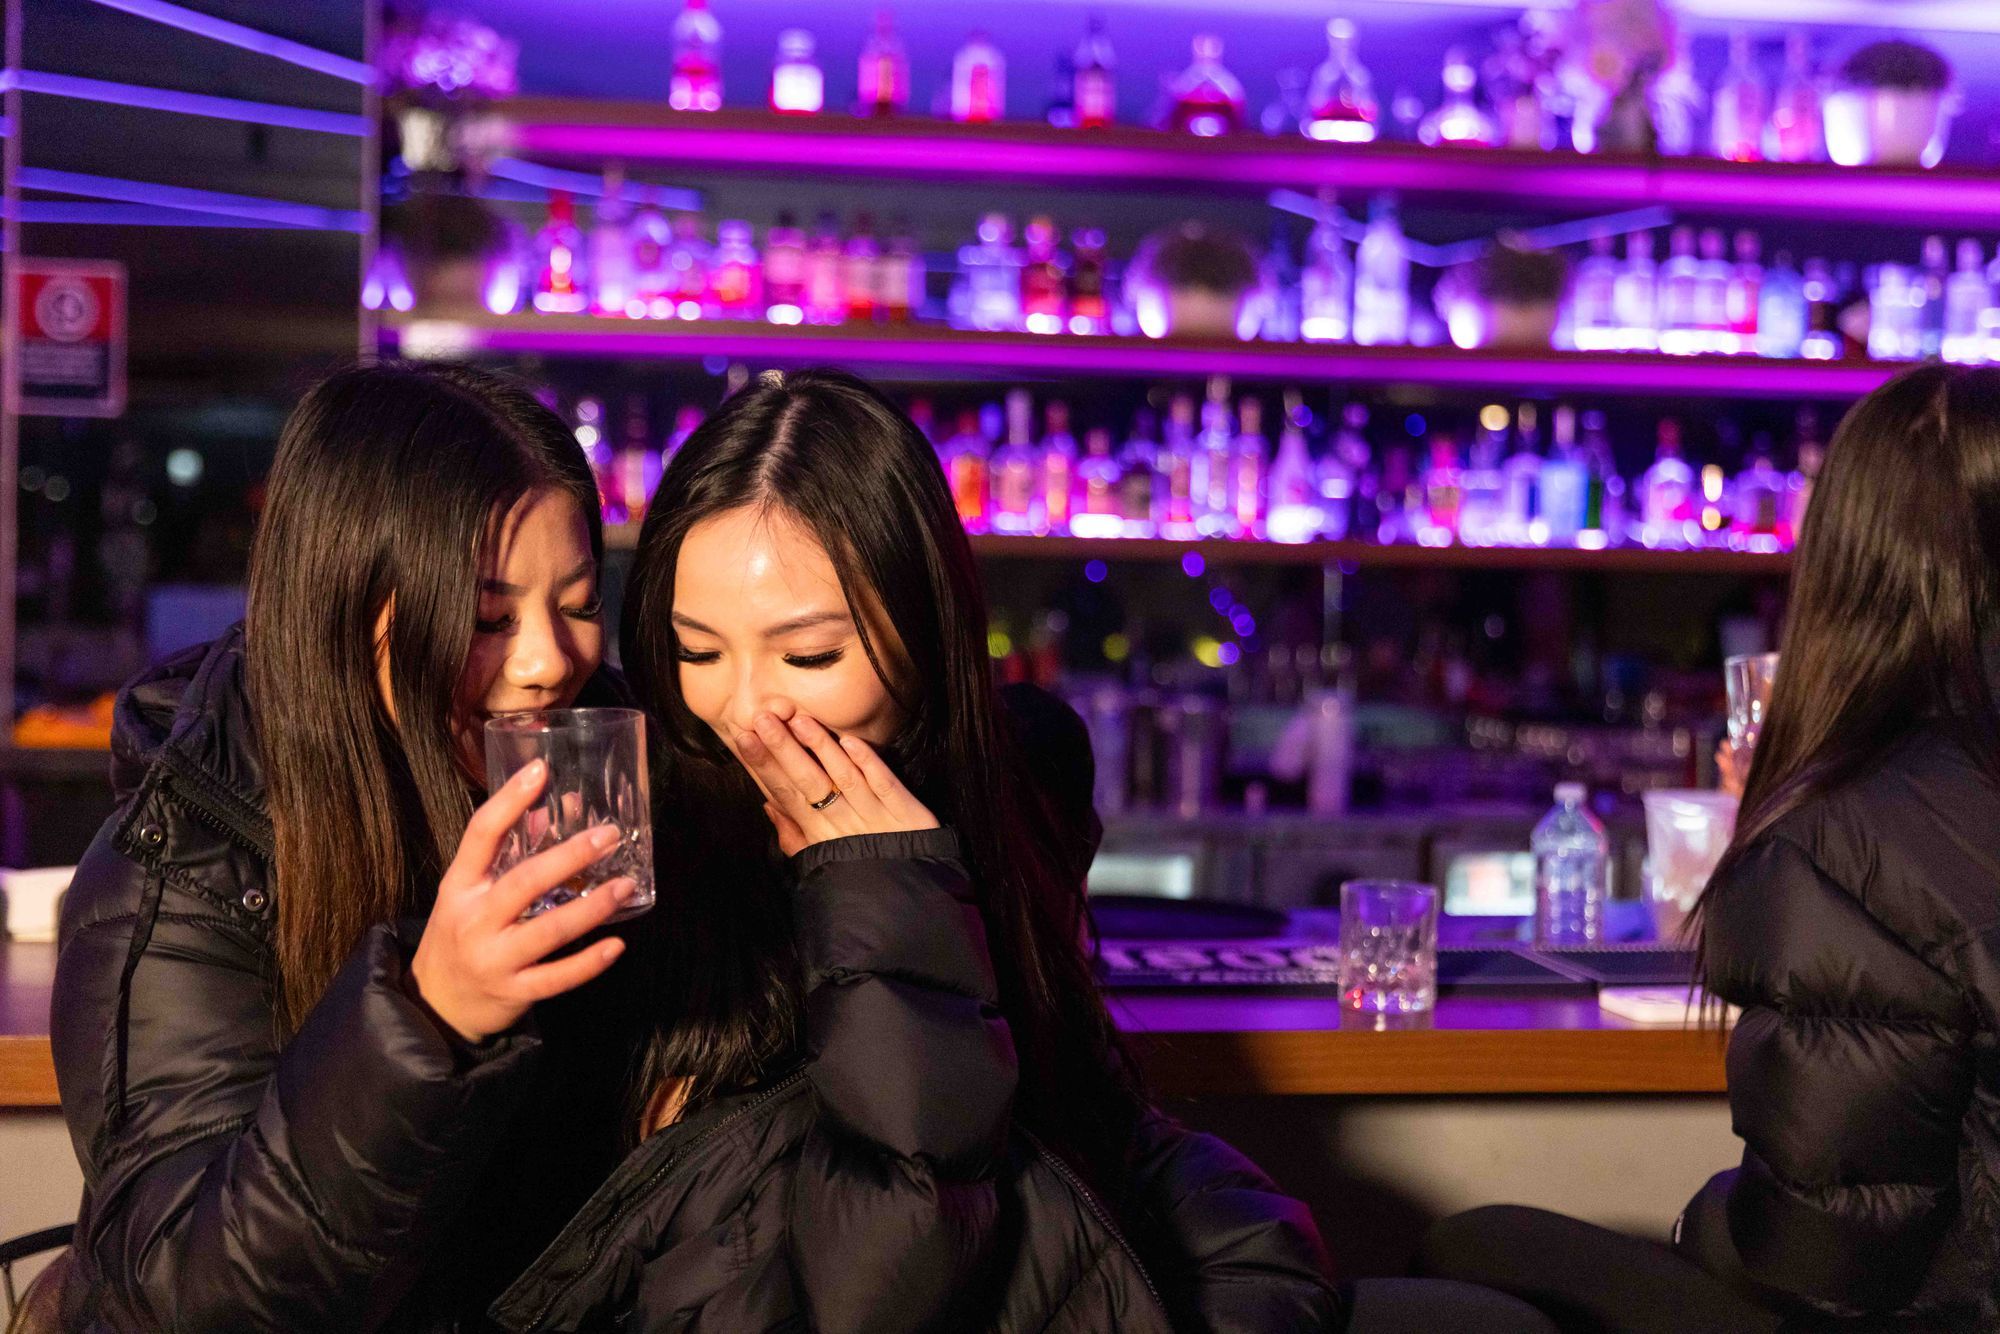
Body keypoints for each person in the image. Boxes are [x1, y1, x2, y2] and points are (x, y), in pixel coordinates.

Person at [491, 369, 1556, 1334]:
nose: (743, 707)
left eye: (808, 652)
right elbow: (868, 1269)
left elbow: (1077, 1114)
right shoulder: (629, 818)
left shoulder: (1009, 775)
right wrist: (875, 882)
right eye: (694, 650)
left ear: (924, 633)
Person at [51, 362, 646, 1332]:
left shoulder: (597, 781)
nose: (549, 661)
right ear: (347, 610)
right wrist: (426, 1017)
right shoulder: (178, 869)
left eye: (577, 605)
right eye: (487, 617)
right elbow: (196, 1295)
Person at [1419, 363, 2000, 1332]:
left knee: (1468, 1244)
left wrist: (1696, 1228)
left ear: (1849, 559)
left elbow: (1821, 1252)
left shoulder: (1846, 827)